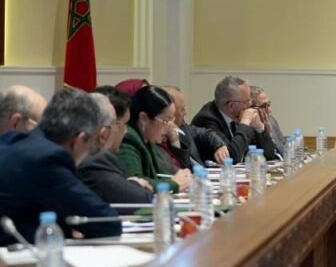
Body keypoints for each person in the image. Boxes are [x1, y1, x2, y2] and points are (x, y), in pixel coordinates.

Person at [0, 88, 121, 245]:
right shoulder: (48, 159)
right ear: (79, 140)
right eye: (90, 146)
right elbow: (107, 223)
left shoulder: (12, 141)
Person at [79, 90, 155, 206]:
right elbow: (143, 199)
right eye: (117, 124)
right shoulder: (94, 160)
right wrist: (134, 184)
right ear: (103, 135)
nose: (126, 131)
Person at [118, 86, 192, 194]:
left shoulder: (147, 138)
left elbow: (158, 173)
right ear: (144, 118)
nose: (170, 127)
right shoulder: (128, 139)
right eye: (166, 120)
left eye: (171, 120)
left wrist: (180, 175)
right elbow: (135, 183)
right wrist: (174, 184)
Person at [191, 76, 277, 163]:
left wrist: (260, 128)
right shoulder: (207, 120)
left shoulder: (238, 115)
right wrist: (245, 123)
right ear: (231, 106)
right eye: (247, 101)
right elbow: (231, 159)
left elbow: (268, 156)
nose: (250, 105)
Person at [160, 86, 229, 169]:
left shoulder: (182, 126)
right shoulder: (159, 139)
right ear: (170, 111)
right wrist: (175, 141)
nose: (185, 113)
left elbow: (205, 133)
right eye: (182, 109)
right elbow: (182, 167)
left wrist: (219, 145)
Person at [250, 85, 286, 156]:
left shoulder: (271, 120)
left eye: (269, 104)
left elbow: (284, 150)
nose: (269, 110)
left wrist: (271, 135)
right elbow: (266, 156)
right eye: (263, 106)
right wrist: (267, 134)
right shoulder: (247, 128)